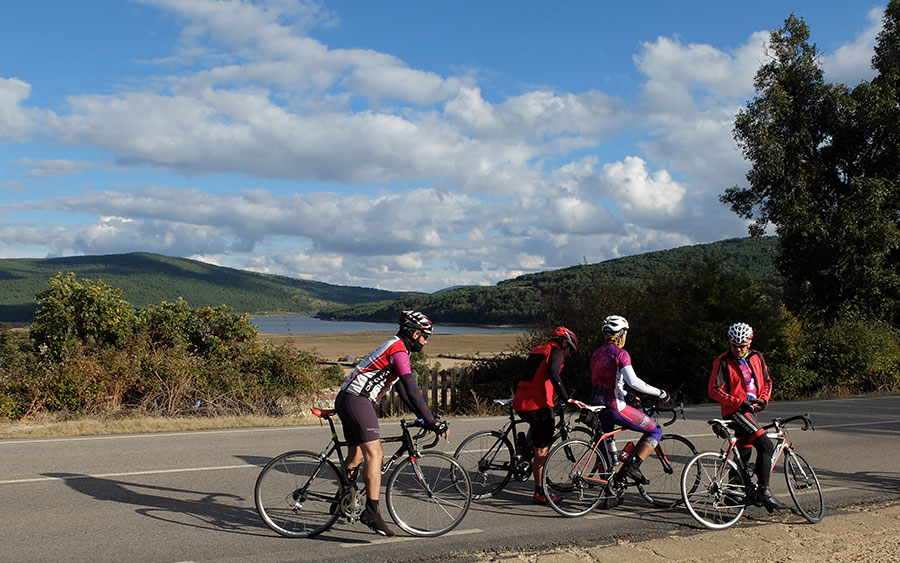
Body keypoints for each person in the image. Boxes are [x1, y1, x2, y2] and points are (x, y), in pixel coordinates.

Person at [334, 310, 449, 536]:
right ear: (415, 334)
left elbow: (403, 392)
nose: (426, 342)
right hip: (358, 400)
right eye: (425, 337)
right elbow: (413, 390)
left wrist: (426, 417)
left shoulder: (395, 347)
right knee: (375, 454)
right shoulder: (398, 351)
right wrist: (433, 422)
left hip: (347, 398)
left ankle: (342, 501)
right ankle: (372, 512)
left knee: (356, 456)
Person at [709, 322, 786, 511]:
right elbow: (713, 390)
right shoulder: (723, 361)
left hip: (751, 411)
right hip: (736, 411)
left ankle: (733, 495)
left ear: (749, 343)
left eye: (742, 346)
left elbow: (766, 381)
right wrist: (738, 402)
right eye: (734, 345)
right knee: (766, 445)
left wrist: (763, 400)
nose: (738, 349)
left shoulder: (757, 357)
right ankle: (764, 492)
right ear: (730, 343)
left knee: (744, 453)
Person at [589, 315, 669, 486]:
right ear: (620, 334)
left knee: (606, 452)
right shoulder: (620, 354)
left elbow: (606, 383)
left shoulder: (596, 354)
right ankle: (634, 467)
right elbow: (634, 381)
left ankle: (609, 489)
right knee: (655, 430)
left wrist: (626, 394)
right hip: (615, 408)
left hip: (597, 407)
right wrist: (660, 393)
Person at [513, 326, 582, 505]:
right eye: (569, 350)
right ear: (564, 343)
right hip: (538, 406)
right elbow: (553, 373)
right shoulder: (556, 352)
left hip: (521, 402)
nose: (568, 354)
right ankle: (540, 493)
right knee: (542, 452)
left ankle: (524, 451)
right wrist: (567, 399)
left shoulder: (538, 349)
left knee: (536, 429)